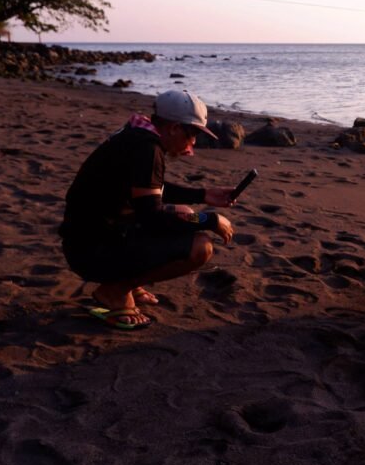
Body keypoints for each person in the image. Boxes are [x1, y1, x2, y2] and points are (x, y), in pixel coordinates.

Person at [59, 90, 236, 329]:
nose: (193, 142)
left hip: (85, 240)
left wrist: (203, 195)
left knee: (180, 213)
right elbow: (152, 217)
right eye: (192, 133)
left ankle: (129, 282)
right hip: (91, 251)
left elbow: (147, 188)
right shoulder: (147, 150)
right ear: (174, 128)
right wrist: (209, 220)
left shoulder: (136, 135)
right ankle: (116, 290)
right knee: (200, 246)